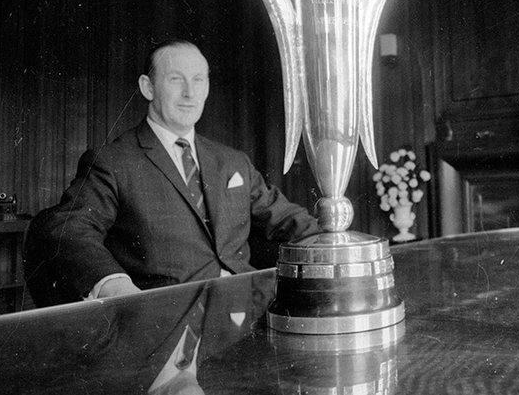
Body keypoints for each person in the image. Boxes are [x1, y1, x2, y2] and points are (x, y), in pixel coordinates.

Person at [29, 40, 319, 301]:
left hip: (243, 307)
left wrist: (336, 244)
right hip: (166, 316)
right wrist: (115, 286)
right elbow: (69, 229)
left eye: (198, 80)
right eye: (175, 79)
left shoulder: (232, 161)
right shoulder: (113, 161)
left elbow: (285, 218)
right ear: (148, 87)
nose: (189, 93)